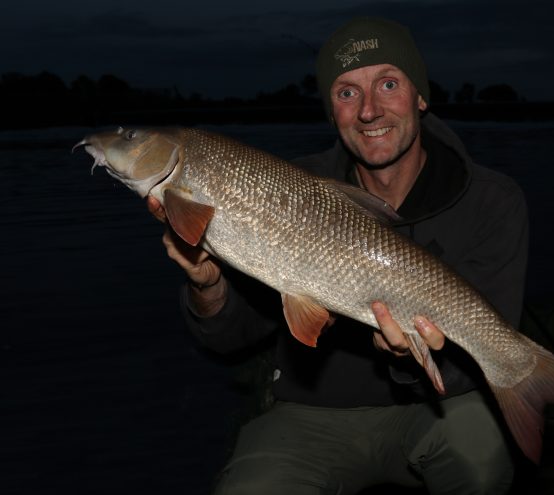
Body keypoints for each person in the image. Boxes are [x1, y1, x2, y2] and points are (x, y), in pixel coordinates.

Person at [148, 16, 529, 495]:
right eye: (347, 92)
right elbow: (229, 341)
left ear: (420, 96)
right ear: (332, 110)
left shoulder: (491, 199)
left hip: (438, 409)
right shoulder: (283, 189)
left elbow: (475, 357)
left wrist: (402, 356)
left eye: (388, 84)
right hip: (311, 412)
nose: (369, 110)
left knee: (479, 453)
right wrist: (207, 285)